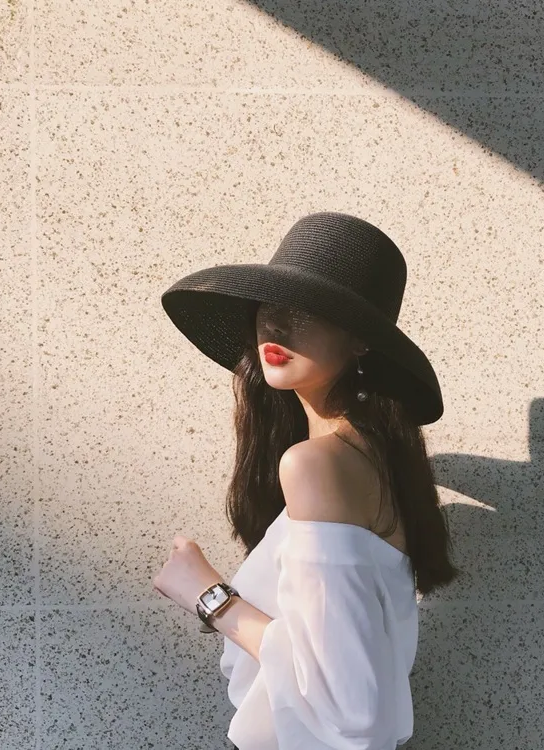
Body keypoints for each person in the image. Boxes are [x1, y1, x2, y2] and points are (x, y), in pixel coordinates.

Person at [160, 211, 460, 749]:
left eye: (307, 310)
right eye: (268, 304)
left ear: (361, 342)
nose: (275, 324)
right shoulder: (370, 459)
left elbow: (348, 706)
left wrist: (209, 596)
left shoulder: (316, 464)